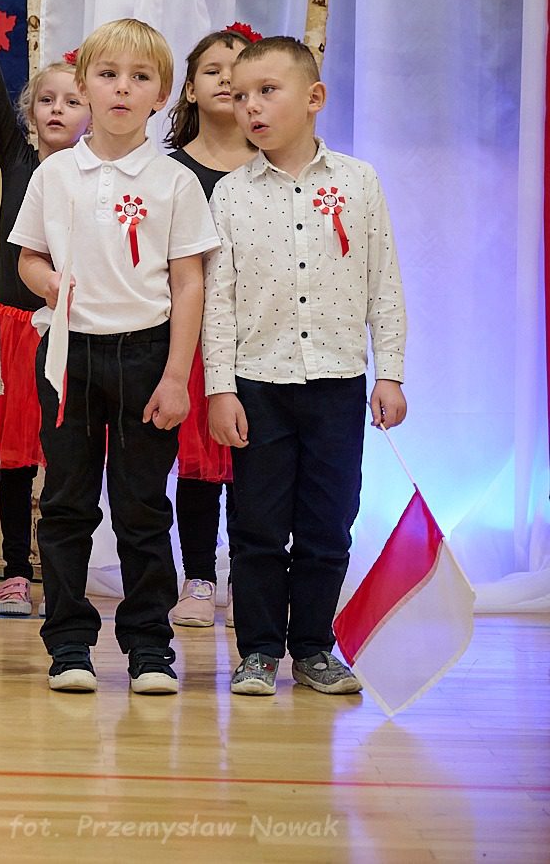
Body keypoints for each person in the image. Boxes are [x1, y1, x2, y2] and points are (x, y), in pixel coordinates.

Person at [11, 18, 216, 696]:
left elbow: (189, 282)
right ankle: (69, 642)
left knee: (142, 509)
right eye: (108, 75)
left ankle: (149, 647)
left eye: (140, 77)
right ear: (85, 86)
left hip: (146, 356)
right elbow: (29, 258)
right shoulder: (54, 172)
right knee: (66, 504)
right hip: (68, 356)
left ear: (162, 94)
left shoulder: (175, 182)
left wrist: (177, 376)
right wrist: (48, 282)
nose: (122, 88)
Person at [207, 36, 406, 697]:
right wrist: (220, 388)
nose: (251, 107)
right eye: (241, 96)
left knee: (327, 522)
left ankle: (315, 647)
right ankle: (259, 650)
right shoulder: (230, 195)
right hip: (258, 385)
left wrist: (390, 371)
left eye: (268, 91)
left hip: (337, 384)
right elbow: (218, 300)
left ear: (314, 97)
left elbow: (384, 283)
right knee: (257, 526)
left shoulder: (358, 181)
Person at [0, 22, 89, 618]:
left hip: (71, 328)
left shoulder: (94, 172)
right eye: (46, 100)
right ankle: (16, 570)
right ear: (30, 112)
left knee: (66, 456)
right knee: (14, 460)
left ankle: (67, 570)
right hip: (13, 329)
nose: (57, 109)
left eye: (72, 100)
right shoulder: (18, 158)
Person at [156, 25, 259, 627]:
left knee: (253, 463)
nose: (225, 78)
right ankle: (197, 577)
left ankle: (251, 576)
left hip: (260, 342)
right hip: (189, 340)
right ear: (191, 89)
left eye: (237, 69)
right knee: (197, 466)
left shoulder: (270, 168)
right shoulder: (170, 173)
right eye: (212, 69)